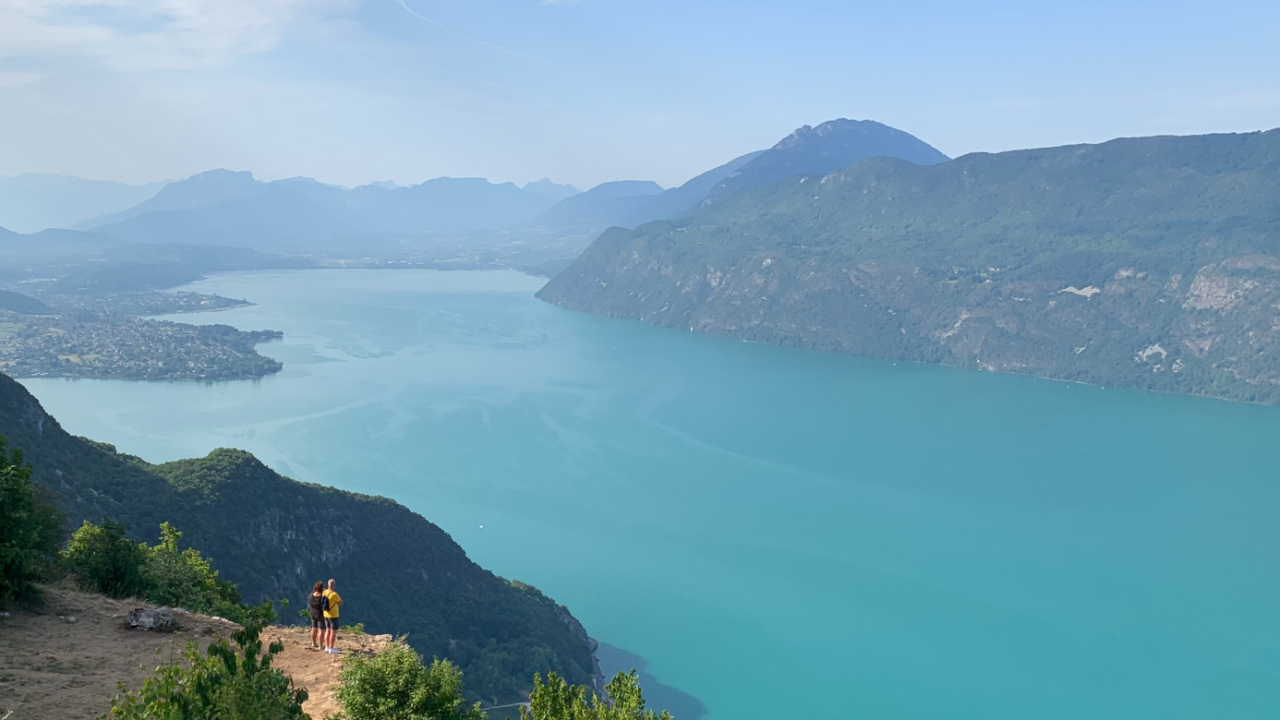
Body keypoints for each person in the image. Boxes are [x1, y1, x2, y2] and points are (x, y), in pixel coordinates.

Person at [323, 578, 343, 654]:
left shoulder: (324, 592)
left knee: (327, 631)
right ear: (334, 586)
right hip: (333, 615)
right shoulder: (334, 594)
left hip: (326, 614)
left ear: (328, 585)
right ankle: (331, 648)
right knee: (333, 632)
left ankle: (327, 647)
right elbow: (340, 602)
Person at [307, 581, 328, 650]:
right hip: (320, 615)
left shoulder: (310, 596)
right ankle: (320, 646)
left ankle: (313, 643)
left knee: (314, 628)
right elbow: (325, 605)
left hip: (313, 614)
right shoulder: (322, 598)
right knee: (321, 630)